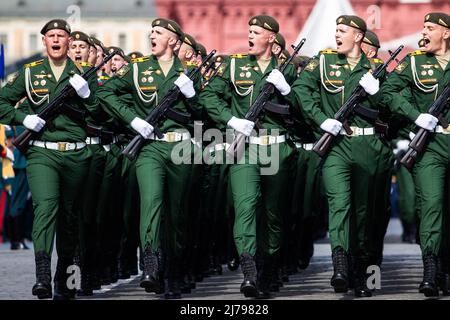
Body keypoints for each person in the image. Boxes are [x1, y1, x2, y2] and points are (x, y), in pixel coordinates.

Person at [97, 18, 200, 299]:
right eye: (151, 32)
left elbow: (205, 113)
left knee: (177, 215)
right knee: (151, 203)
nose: (151, 35)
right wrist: (133, 119)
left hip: (181, 148)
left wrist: (192, 95)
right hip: (149, 147)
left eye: (159, 32)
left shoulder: (189, 72)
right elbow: (105, 92)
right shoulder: (137, 68)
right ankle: (152, 267)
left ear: (174, 40)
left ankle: (175, 272)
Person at [0, 19, 101, 299]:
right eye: (51, 35)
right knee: (45, 209)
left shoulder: (84, 73)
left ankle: (66, 278)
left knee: (70, 218)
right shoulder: (31, 73)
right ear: (44, 41)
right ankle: (42, 275)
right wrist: (24, 118)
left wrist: (87, 93)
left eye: (61, 35)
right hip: (42, 152)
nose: (56, 39)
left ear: (69, 41)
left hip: (76, 154)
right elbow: (1, 102)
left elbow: (100, 115)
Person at [200, 14, 297, 298]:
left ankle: (268, 267)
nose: (250, 36)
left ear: (271, 38)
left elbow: (305, 111)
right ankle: (250, 271)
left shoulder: (288, 69)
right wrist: (231, 120)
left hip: (277, 148)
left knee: (272, 215)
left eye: (256, 32)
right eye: (249, 31)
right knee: (246, 207)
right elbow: (208, 97)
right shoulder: (234, 65)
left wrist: (287, 90)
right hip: (245, 147)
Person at [293, 15, 387, 297]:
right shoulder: (322, 62)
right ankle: (340, 265)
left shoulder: (375, 68)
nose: (336, 35)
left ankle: (363, 272)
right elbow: (301, 90)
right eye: (335, 30)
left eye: (342, 31)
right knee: (340, 204)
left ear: (358, 36)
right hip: (335, 146)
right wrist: (322, 120)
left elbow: (390, 107)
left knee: (363, 212)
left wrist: (379, 92)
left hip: (367, 146)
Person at [382, 12, 450, 297]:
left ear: (446, 33)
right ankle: (431, 271)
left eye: (430, 28)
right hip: (431, 146)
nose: (424, 32)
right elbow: (387, 92)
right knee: (432, 206)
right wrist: (416, 116)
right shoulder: (414, 62)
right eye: (423, 27)